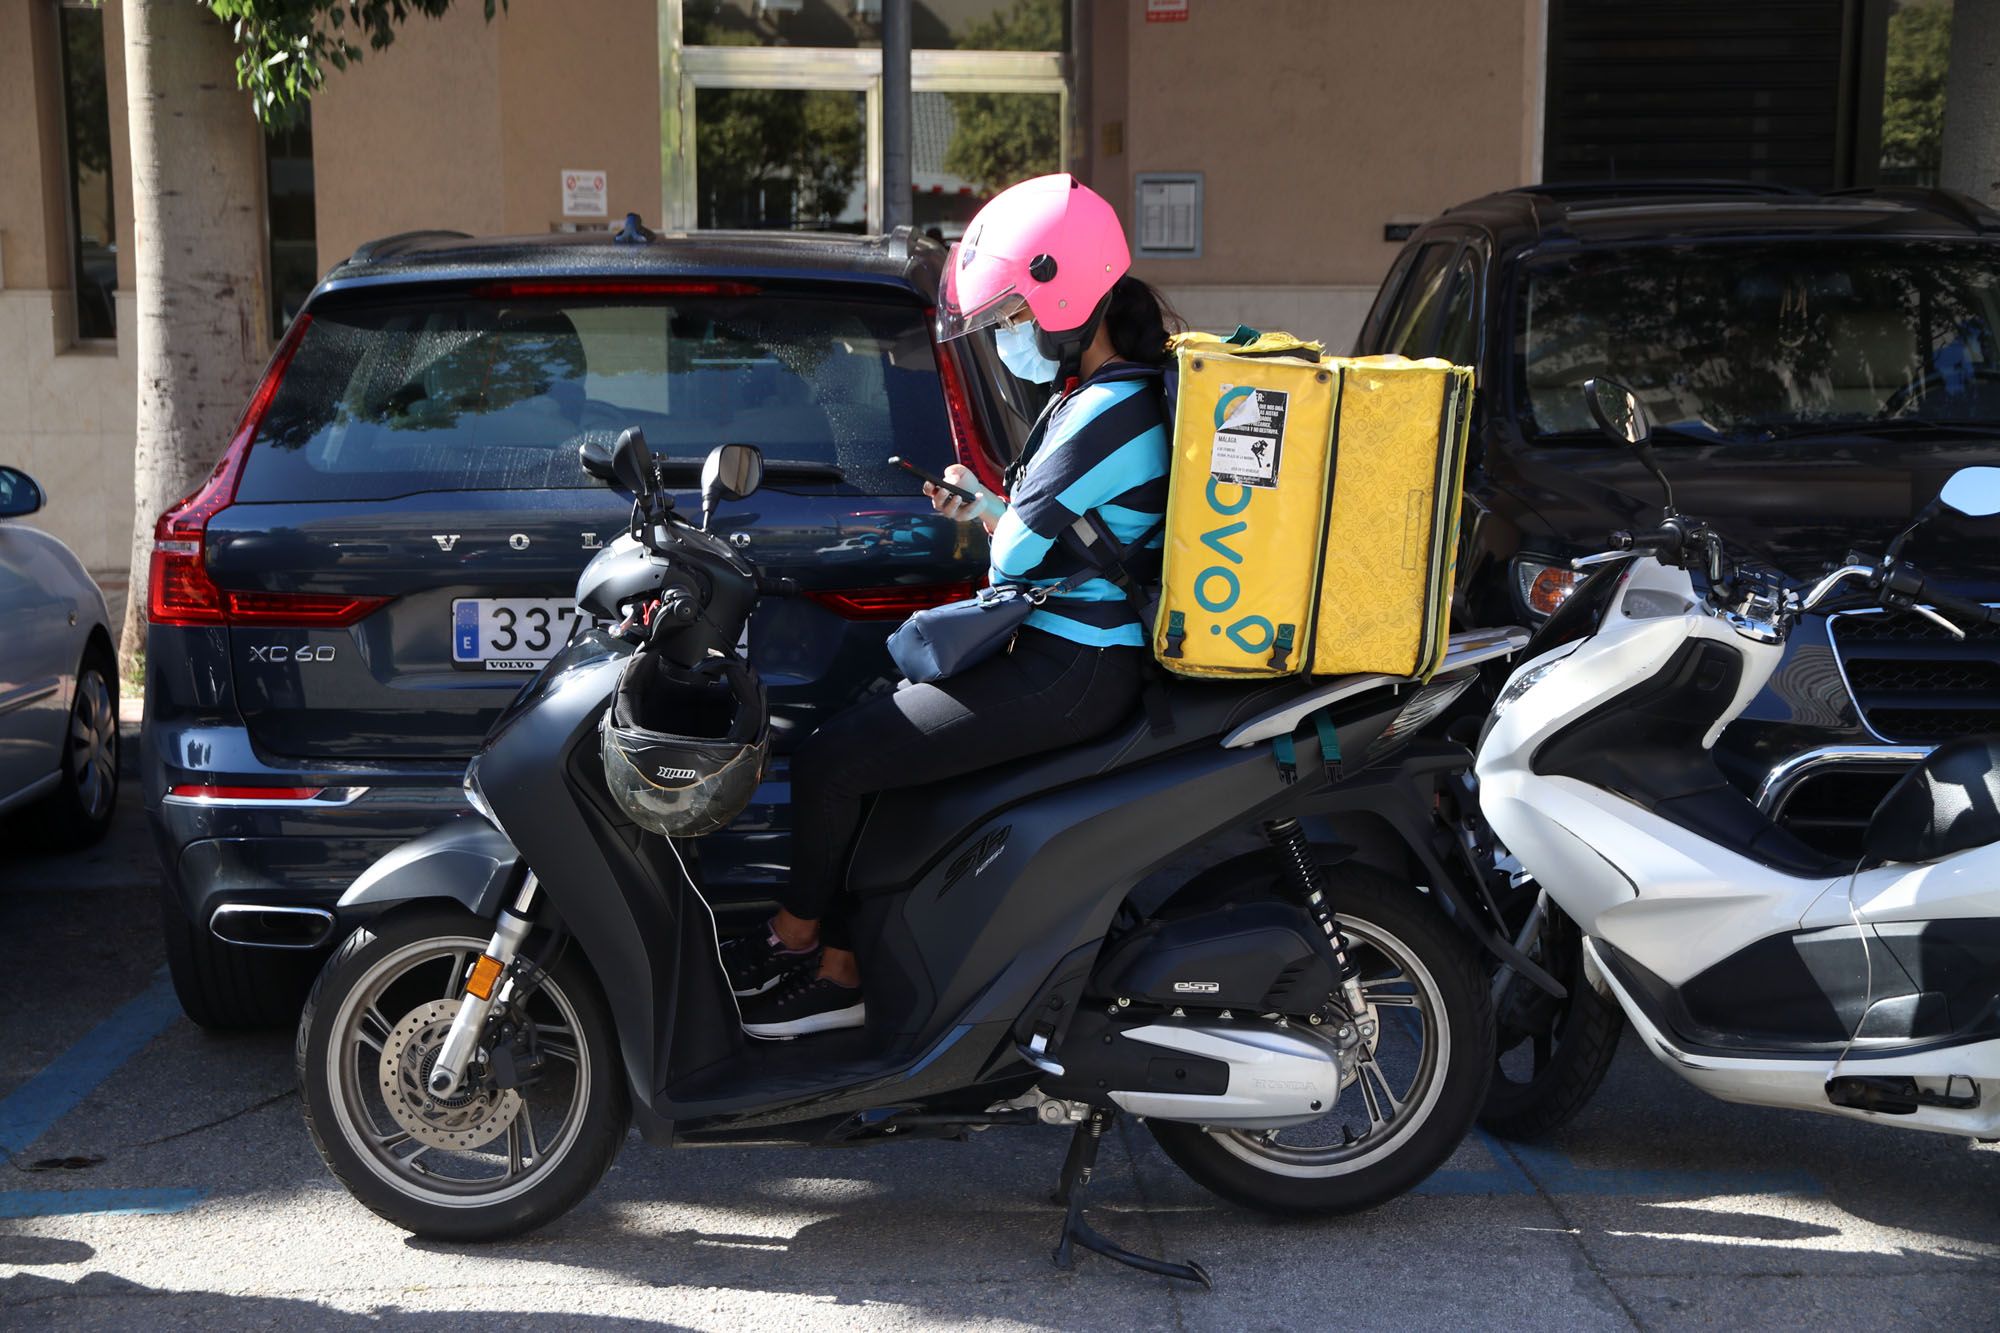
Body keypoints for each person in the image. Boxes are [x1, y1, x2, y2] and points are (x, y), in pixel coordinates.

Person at [723, 173, 1179, 1038]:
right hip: (1066, 652)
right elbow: (1056, 535)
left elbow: (1017, 556)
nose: (1008, 340)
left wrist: (997, 520)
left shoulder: (1108, 412)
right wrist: (991, 505)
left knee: (833, 759)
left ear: (1068, 296)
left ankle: (808, 950)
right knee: (870, 743)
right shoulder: (1107, 398)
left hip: (1073, 664)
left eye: (1012, 319)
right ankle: (843, 959)